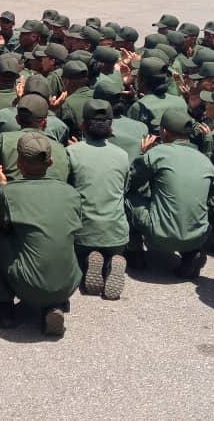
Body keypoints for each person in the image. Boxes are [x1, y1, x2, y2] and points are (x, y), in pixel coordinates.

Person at [0, 132, 82, 336]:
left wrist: (2, 184)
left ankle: (2, 305)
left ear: (18, 163)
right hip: (68, 282)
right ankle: (53, 303)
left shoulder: (9, 192)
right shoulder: (69, 192)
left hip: (29, 282)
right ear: (51, 161)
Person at [126, 110, 214, 277]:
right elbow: (213, 183)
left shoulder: (156, 154)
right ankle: (191, 254)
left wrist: (143, 154)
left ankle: (134, 253)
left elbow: (131, 183)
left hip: (160, 235)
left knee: (127, 199)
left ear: (164, 132)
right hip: (198, 235)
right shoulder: (204, 160)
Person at [67, 100, 130, 300]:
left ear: (83, 125)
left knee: (80, 251)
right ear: (110, 127)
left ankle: (88, 261)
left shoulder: (72, 152)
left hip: (84, 233)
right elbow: (124, 188)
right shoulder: (122, 155)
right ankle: (112, 260)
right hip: (117, 234)